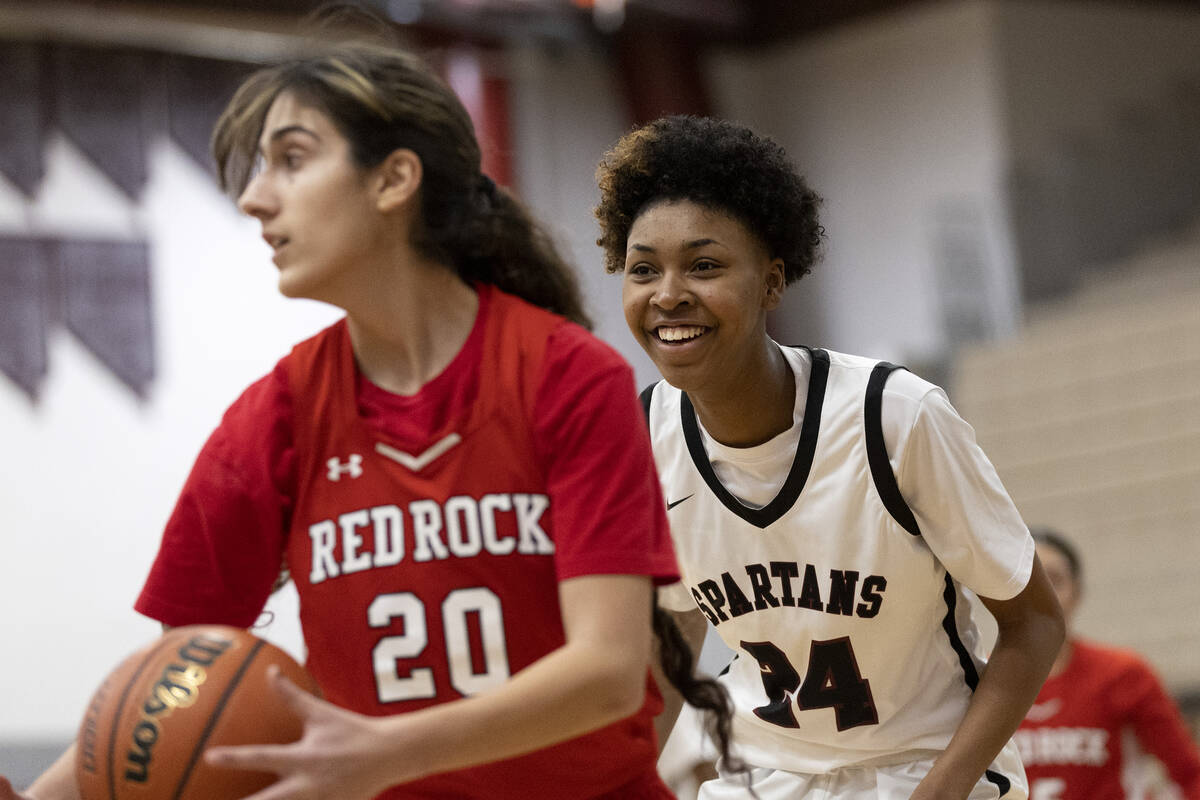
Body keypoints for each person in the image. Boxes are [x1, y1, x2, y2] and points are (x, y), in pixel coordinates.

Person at [3, 36, 738, 800]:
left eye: (291, 159)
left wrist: (383, 752)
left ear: (393, 179)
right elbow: (172, 693)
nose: (256, 198)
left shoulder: (566, 375)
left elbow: (607, 676)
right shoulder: (276, 416)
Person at [592, 114, 1067, 800]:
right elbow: (675, 638)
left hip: (926, 767)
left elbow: (1035, 622)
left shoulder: (894, 415)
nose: (668, 294)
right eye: (643, 270)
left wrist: (940, 791)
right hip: (763, 778)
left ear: (772, 283)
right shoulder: (641, 435)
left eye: (704, 265)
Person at [1015, 528, 1200, 800]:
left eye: (1054, 580)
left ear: (1076, 593)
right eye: (1027, 581)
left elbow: (1189, 773)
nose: (1042, 594)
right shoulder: (980, 682)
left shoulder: (1122, 673)